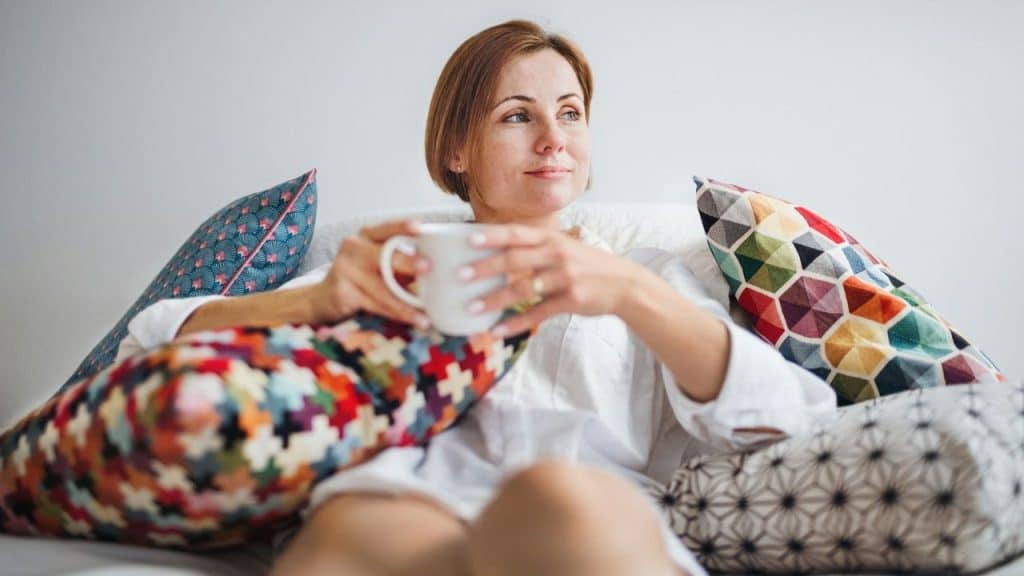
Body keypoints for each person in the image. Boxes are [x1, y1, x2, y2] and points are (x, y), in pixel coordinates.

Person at [118, 20, 837, 576]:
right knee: (361, 526)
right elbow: (150, 344)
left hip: (588, 509)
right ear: (458, 149)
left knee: (557, 501)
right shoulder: (394, 259)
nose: (555, 139)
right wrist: (312, 301)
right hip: (404, 501)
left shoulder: (644, 272)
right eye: (519, 116)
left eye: (572, 113)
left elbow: (790, 417)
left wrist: (628, 294)